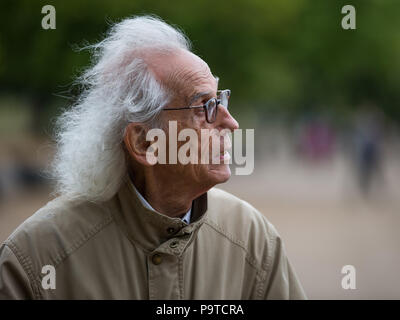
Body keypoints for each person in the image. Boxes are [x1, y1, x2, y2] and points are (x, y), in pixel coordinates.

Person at [0, 16, 306, 299]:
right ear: (144, 142)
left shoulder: (252, 238)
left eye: (220, 99)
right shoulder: (35, 257)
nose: (230, 122)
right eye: (203, 106)